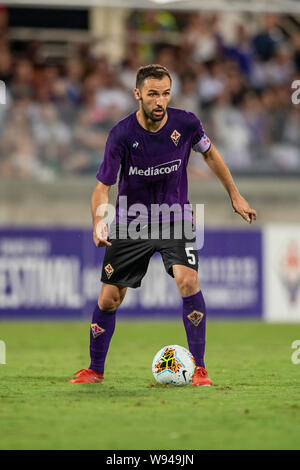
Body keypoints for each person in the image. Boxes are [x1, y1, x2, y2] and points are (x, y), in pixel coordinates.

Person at [69, 64, 256, 386]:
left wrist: (235, 195)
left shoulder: (186, 124)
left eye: (166, 93)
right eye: (153, 94)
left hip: (175, 217)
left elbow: (211, 155)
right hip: (133, 221)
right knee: (108, 299)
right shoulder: (122, 135)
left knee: (188, 281)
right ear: (137, 94)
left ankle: (199, 368)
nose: (160, 101)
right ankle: (95, 370)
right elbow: (102, 186)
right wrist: (100, 222)